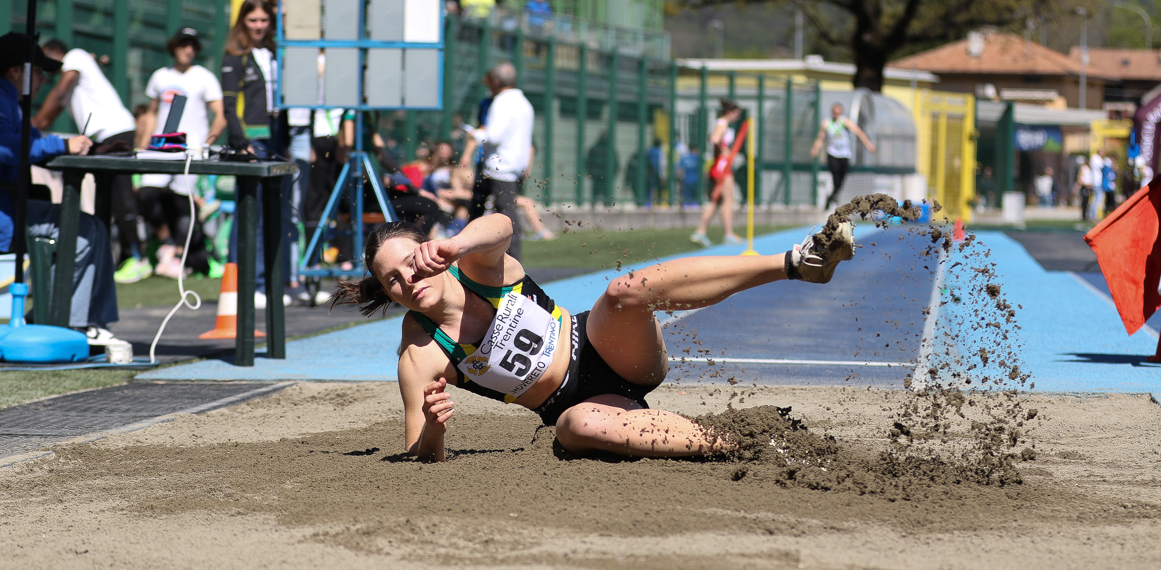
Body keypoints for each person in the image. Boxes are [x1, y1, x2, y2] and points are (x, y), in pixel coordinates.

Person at [327, 213, 855, 462]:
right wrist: (436, 433)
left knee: (623, 291)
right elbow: (418, 453)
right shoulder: (420, 353)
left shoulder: (476, 267)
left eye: (410, 262)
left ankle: (797, 263)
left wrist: (457, 242)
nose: (407, 280)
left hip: (607, 345)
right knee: (576, 428)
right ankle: (752, 447)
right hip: (576, 404)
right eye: (392, 280)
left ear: (427, 251)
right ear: (388, 293)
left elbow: (502, 225)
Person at [0, 33, 122, 347]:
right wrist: (63, 144)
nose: (44, 78)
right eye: (40, 71)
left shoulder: (10, 102)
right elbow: (2, 147)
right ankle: (70, 324)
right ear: (15, 71)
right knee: (83, 230)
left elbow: (36, 148)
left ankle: (85, 322)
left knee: (92, 226)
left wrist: (93, 149)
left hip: (7, 206)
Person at [34, 39, 144, 281]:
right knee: (104, 198)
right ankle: (110, 256)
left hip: (117, 132)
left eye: (44, 57)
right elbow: (52, 111)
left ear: (55, 52)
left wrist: (33, 124)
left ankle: (138, 257)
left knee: (121, 195)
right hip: (101, 138)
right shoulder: (70, 74)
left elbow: (56, 99)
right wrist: (36, 125)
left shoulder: (74, 57)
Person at [137, 27, 226, 280]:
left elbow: (221, 116)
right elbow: (152, 113)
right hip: (161, 147)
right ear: (173, 46)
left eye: (192, 46)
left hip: (190, 149)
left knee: (183, 201)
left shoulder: (204, 77)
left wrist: (205, 144)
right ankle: (166, 244)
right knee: (146, 194)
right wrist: (143, 145)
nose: (188, 50)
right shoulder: (159, 76)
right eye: (183, 44)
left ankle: (181, 256)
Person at [221, 0, 293, 308]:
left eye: (264, 19)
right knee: (249, 210)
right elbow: (228, 104)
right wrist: (241, 141)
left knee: (274, 210)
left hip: (278, 136)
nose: (259, 26)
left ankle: (271, 282)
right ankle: (248, 284)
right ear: (243, 22)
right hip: (253, 138)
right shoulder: (234, 54)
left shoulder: (277, 51)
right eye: (252, 20)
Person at [467, 62, 534, 261]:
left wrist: (475, 134)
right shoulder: (524, 103)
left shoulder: (501, 102)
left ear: (495, 81)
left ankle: (510, 260)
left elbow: (493, 136)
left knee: (501, 214)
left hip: (498, 167)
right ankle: (493, 257)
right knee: (502, 211)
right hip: (512, 167)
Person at [691, 99, 743, 246]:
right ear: (729, 112)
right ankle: (728, 234)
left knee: (716, 201)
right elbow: (714, 139)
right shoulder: (722, 124)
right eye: (736, 113)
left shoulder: (722, 124)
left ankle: (700, 232)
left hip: (719, 165)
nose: (738, 117)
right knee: (728, 200)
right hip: (722, 167)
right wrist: (724, 151)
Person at [810, 102, 876, 211]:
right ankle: (832, 198)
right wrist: (815, 149)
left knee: (841, 179)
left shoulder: (845, 122)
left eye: (838, 113)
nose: (836, 115)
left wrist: (868, 145)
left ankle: (832, 196)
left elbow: (858, 132)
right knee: (835, 177)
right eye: (834, 112)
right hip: (832, 153)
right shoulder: (827, 123)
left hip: (844, 154)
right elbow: (820, 138)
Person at [1088, 149, 1106, 222]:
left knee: (1096, 198)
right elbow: (1102, 166)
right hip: (1096, 182)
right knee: (1098, 198)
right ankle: (1093, 215)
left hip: (1096, 181)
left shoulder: (1094, 158)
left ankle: (1092, 214)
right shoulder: (1096, 158)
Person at [1075, 156, 1094, 222]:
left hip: (1089, 187)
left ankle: (1087, 214)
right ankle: (1083, 215)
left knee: (1088, 201)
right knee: (1084, 201)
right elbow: (1080, 178)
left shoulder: (1090, 169)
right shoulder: (1083, 168)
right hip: (1085, 186)